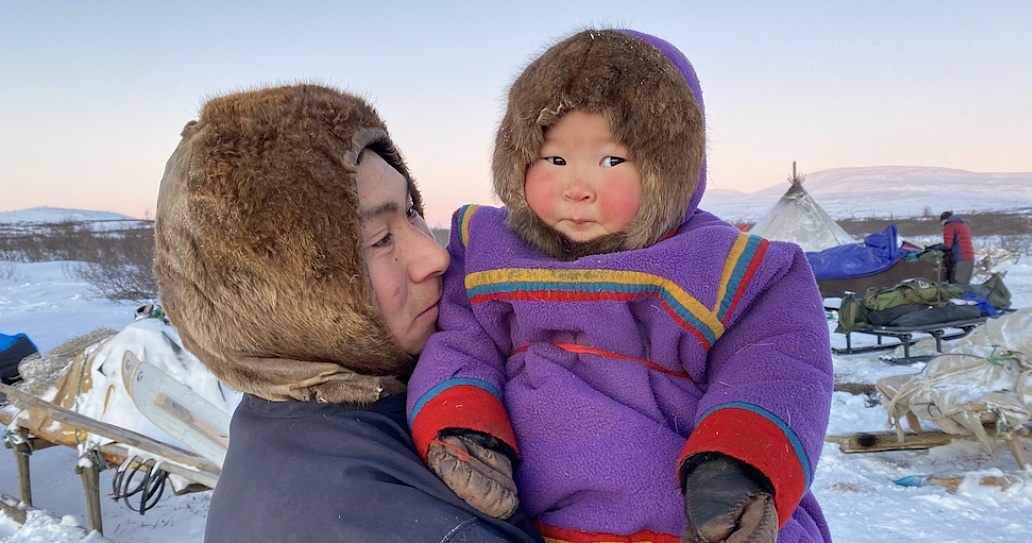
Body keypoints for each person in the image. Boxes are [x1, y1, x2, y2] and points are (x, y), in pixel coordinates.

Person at [407, 29, 834, 543]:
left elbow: (777, 362)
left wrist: (735, 465)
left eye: (612, 161)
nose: (577, 188)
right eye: (554, 159)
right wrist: (465, 426)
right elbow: (459, 342)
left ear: (668, 167)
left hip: (692, 515)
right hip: (534, 513)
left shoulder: (725, 265)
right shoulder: (492, 251)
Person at [153, 84, 541, 543]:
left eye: (412, 211)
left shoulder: (287, 419)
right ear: (284, 290)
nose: (434, 257)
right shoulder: (388, 520)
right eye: (380, 239)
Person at [938, 210, 975, 284]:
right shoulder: (963, 225)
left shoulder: (950, 225)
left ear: (944, 219)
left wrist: (936, 248)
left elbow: (947, 246)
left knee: (955, 288)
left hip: (960, 260)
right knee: (964, 286)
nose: (942, 225)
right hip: (970, 258)